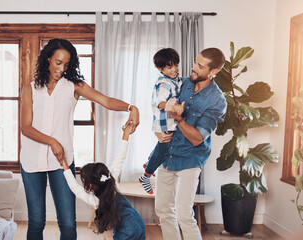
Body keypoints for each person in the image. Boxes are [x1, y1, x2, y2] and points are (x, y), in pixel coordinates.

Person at [19, 38, 140, 240]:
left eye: (66, 64)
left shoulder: (74, 86)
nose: (62, 68)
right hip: (32, 160)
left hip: (62, 162)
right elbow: (25, 128)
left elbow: (105, 101)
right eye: (58, 62)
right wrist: (52, 141)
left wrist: (131, 107)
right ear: (47, 59)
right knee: (36, 222)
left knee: (67, 224)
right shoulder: (29, 89)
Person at [154, 47, 227, 240]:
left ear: (213, 72)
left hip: (190, 157)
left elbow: (197, 138)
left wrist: (179, 118)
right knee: (162, 209)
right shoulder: (182, 83)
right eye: (195, 62)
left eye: (200, 66)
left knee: (184, 213)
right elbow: (160, 105)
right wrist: (159, 132)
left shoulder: (217, 100)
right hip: (168, 153)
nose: (193, 68)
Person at [59, 123, 146, 240]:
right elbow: (120, 157)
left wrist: (63, 162)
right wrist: (126, 134)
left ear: (90, 184)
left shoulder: (95, 200)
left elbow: (75, 188)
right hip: (138, 221)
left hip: (126, 230)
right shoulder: (112, 180)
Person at [139, 48, 184, 194]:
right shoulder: (164, 83)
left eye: (176, 65)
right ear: (160, 69)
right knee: (164, 149)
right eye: (170, 67)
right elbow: (160, 102)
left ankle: (148, 163)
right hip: (166, 123)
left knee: (161, 147)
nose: (175, 69)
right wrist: (172, 106)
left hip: (169, 122)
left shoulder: (175, 79)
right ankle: (146, 176)